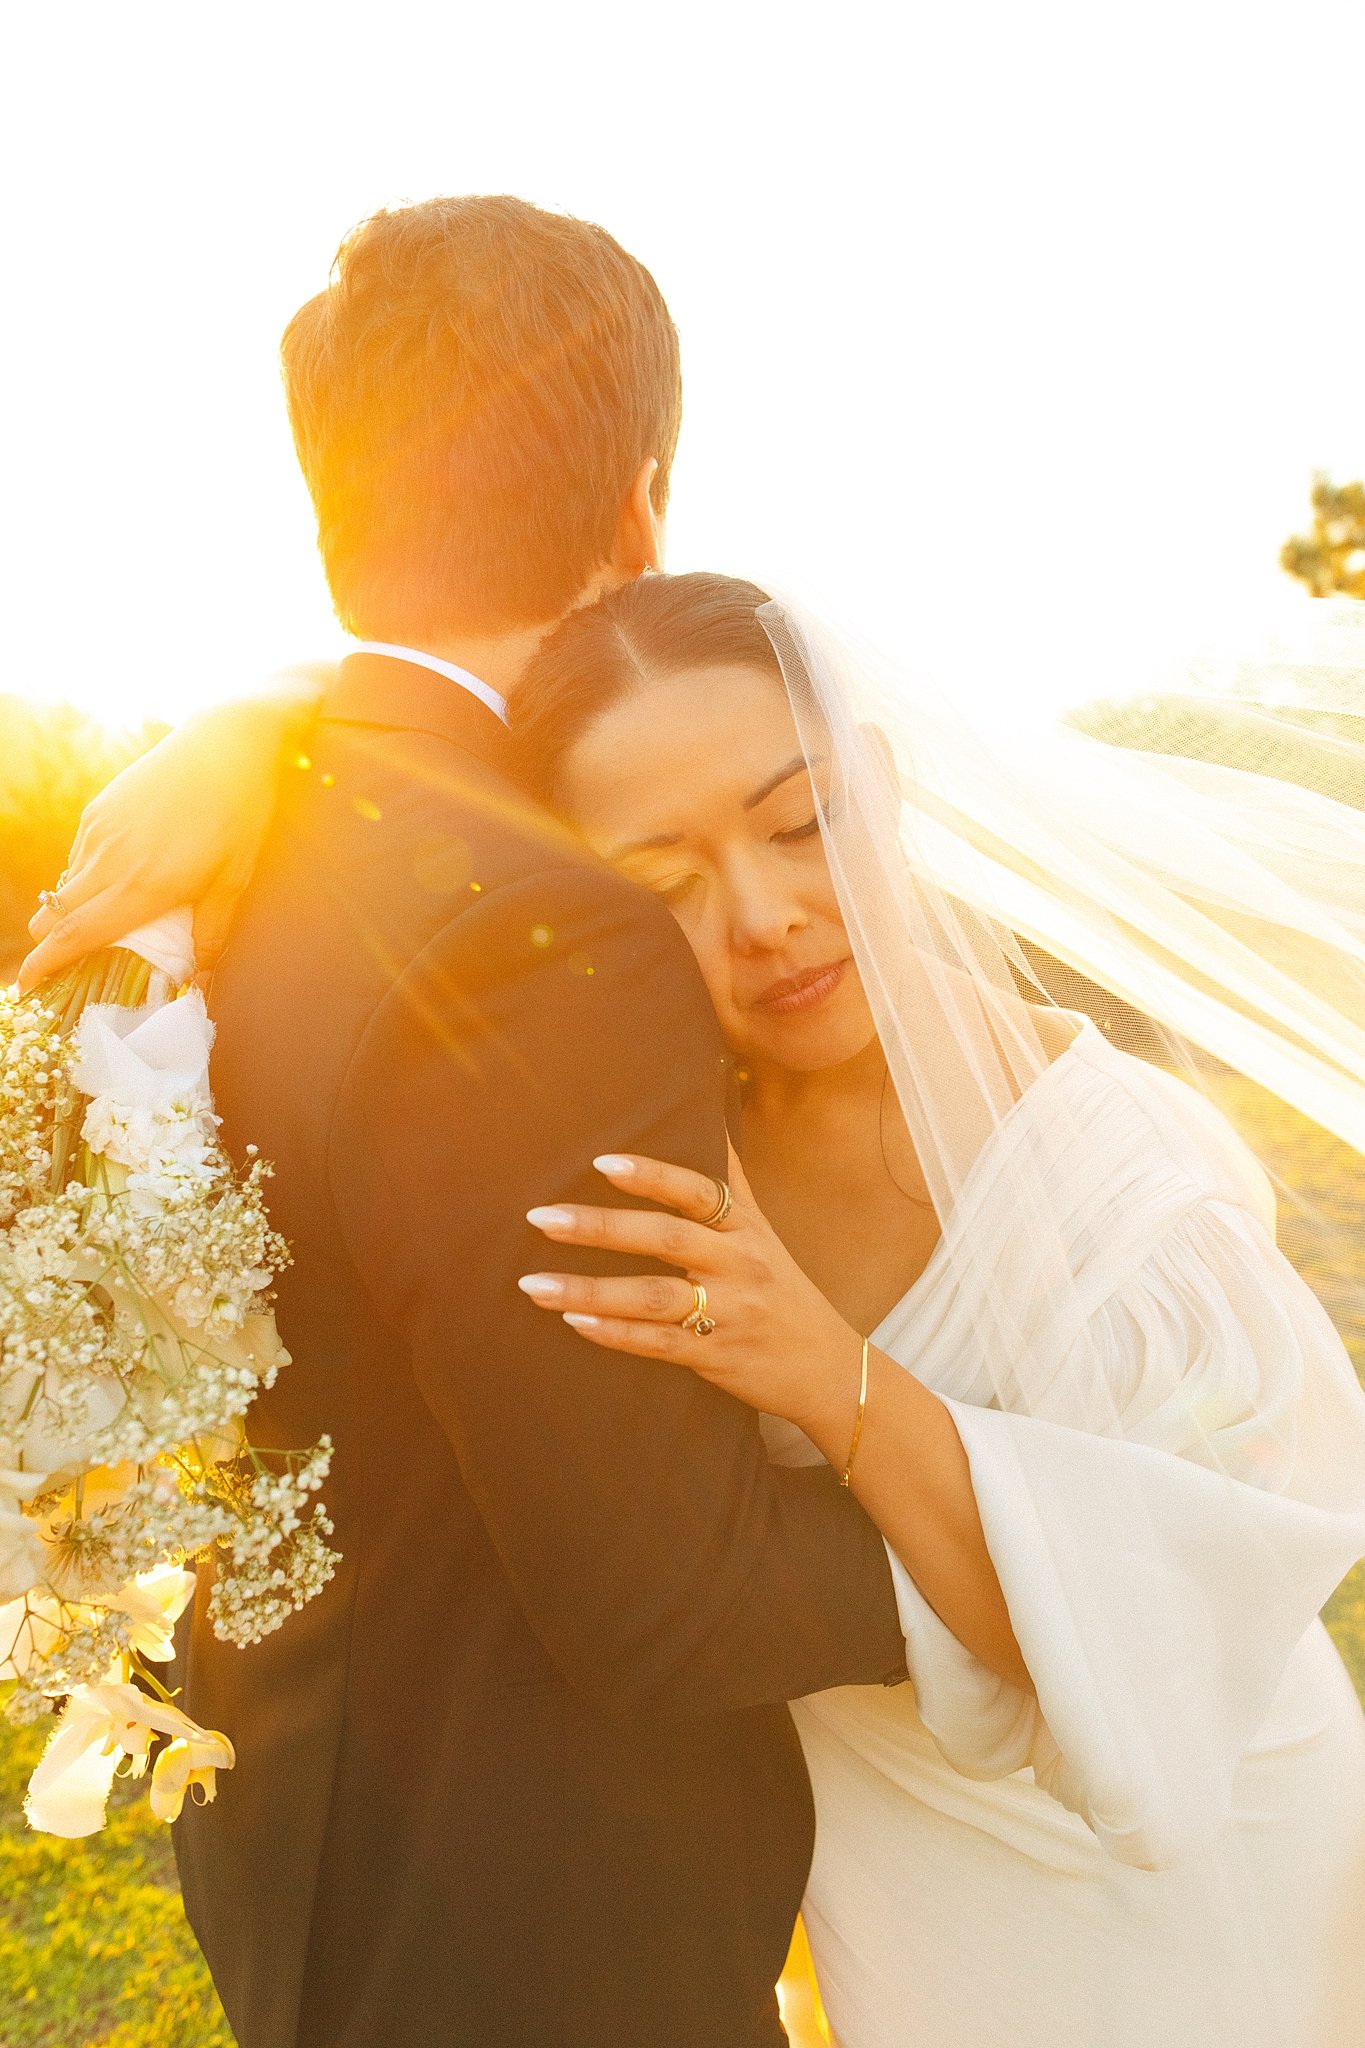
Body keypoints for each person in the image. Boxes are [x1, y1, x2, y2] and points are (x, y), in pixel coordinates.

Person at [33, 569, 1365, 2047]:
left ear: (877, 787)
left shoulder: (1124, 1170)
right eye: (660, 883)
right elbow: (440, 678)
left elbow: (1158, 1616)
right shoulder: (665, 1144)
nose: (765, 917)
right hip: (902, 1888)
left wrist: (825, 1370)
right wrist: (236, 728)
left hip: (1185, 1871)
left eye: (800, 827)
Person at [25, 202, 915, 2048]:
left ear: (335, 514)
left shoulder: (246, 840)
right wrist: (1086, 1543)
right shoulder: (546, 934)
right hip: (534, 1922)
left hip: (304, 1807)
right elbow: (670, 1599)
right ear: (640, 512)